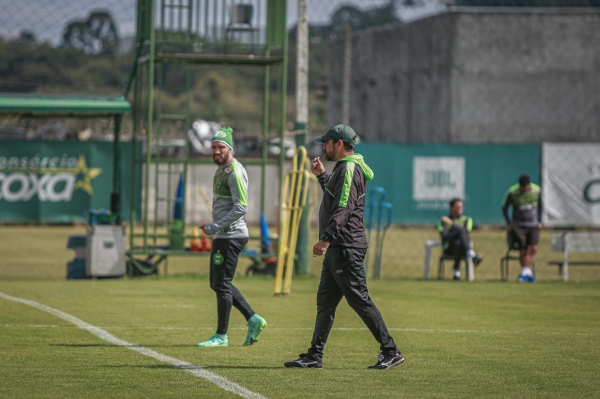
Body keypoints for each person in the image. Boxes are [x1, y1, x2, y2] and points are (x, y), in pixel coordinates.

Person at [284, 124, 403, 370]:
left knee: (359, 299)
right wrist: (321, 175)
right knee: (325, 304)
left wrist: (325, 239)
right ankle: (314, 355)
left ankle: (391, 351)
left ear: (339, 143)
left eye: (326, 142)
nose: (323, 147)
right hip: (339, 246)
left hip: (345, 246)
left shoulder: (349, 168)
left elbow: (344, 207)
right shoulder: (343, 169)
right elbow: (336, 195)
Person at [197, 127, 267, 347]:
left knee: (222, 283)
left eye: (221, 147)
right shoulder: (222, 170)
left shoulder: (235, 171)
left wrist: (214, 226)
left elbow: (241, 207)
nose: (217, 151)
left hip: (230, 235)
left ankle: (221, 336)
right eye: (214, 147)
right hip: (223, 235)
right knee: (218, 283)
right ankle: (253, 319)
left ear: (230, 149)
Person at [501, 174, 543, 283]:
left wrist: (540, 221)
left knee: (533, 248)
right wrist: (509, 222)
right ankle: (527, 273)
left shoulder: (536, 191)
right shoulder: (513, 192)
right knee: (523, 249)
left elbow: (541, 206)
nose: (524, 189)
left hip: (533, 225)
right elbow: (504, 207)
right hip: (518, 225)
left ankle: (524, 272)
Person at [438, 198, 482, 280]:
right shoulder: (444, 221)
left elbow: (467, 233)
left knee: (458, 242)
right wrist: (457, 231)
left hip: (461, 248)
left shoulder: (467, 220)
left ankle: (456, 273)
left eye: (461, 207)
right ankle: (471, 253)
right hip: (448, 248)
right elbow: (444, 236)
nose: (460, 208)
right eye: (457, 206)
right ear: (451, 207)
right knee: (460, 234)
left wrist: (452, 225)